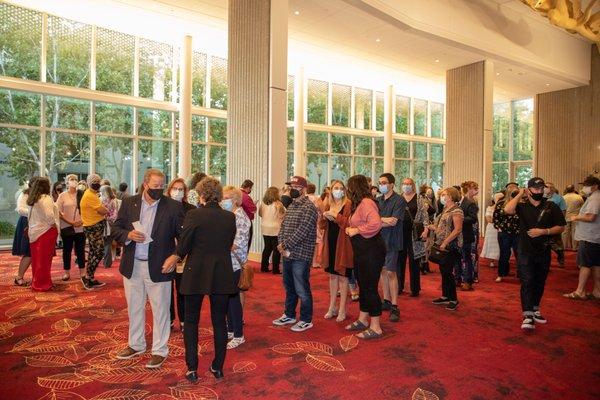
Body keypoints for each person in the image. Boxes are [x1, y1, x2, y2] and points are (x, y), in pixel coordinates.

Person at [164, 176, 236, 382]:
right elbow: (228, 243)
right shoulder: (229, 217)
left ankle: (192, 367)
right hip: (221, 272)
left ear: (201, 194)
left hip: (196, 272)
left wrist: (175, 256)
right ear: (219, 195)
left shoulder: (194, 215)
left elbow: (184, 244)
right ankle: (218, 366)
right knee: (219, 322)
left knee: (191, 321)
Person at [112, 169, 184, 369]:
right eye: (155, 187)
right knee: (134, 307)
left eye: (162, 186)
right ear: (145, 184)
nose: (159, 190)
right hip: (132, 265)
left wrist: (175, 255)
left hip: (160, 266)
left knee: (161, 310)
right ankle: (136, 344)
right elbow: (116, 229)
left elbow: (184, 238)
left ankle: (160, 350)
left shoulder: (173, 207)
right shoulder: (129, 203)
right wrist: (128, 235)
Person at [504, 177, 566, 330]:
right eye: (536, 189)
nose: (539, 191)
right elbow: (507, 210)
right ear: (529, 190)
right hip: (525, 250)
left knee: (539, 281)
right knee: (527, 281)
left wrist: (544, 231)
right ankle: (527, 315)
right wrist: (519, 195)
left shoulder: (551, 206)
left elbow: (561, 227)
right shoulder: (522, 206)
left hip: (544, 250)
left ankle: (535, 308)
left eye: (541, 189)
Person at [272, 176, 318, 333]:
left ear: (303, 190)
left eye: (295, 186)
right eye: (290, 186)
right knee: (289, 286)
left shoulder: (309, 208)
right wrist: (281, 244)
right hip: (287, 253)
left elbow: (303, 231)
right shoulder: (291, 205)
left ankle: (306, 319)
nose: (291, 189)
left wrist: (285, 244)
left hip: (301, 254)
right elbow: (283, 226)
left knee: (302, 288)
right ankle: (290, 314)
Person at [344, 175, 385, 339]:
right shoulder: (359, 204)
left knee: (369, 287)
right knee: (363, 285)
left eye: (349, 187)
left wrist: (357, 230)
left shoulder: (367, 202)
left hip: (371, 250)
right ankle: (363, 319)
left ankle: (376, 327)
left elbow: (376, 223)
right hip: (362, 251)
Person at [423, 187, 464, 311]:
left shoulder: (457, 211)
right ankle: (445, 295)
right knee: (443, 270)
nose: (442, 196)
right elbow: (441, 227)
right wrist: (430, 227)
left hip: (451, 245)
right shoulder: (445, 209)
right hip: (442, 244)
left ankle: (453, 299)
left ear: (451, 196)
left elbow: (457, 229)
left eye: (444, 194)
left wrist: (445, 242)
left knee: (447, 271)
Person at [319, 180, 353, 322]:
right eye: (335, 188)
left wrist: (336, 216)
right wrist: (324, 216)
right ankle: (332, 306)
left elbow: (349, 223)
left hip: (343, 244)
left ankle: (342, 309)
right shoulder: (328, 203)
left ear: (344, 190)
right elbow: (321, 226)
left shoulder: (348, 204)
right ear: (331, 190)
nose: (338, 190)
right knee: (333, 277)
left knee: (343, 277)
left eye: (340, 188)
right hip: (330, 242)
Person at [222, 186, 250, 350]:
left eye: (226, 198)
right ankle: (231, 329)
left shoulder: (240, 217)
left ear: (234, 200)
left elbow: (237, 244)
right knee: (228, 299)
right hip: (227, 262)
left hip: (235, 263)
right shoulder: (230, 215)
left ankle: (239, 335)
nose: (222, 201)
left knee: (233, 301)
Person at [165, 178, 196, 331]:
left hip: (184, 255)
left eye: (180, 189)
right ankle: (169, 319)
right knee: (166, 290)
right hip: (165, 254)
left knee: (182, 289)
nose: (177, 191)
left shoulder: (190, 209)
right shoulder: (162, 206)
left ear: (185, 192)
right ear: (169, 190)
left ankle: (184, 321)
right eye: (175, 188)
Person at [563, 176, 600, 300]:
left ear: (594, 186)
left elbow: (591, 217)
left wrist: (576, 217)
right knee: (595, 265)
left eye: (586, 185)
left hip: (590, 237)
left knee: (585, 264)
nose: (584, 188)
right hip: (594, 237)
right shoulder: (594, 197)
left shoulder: (595, 198)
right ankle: (597, 291)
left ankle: (580, 291)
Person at [376, 173, 404, 322]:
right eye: (380, 182)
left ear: (392, 184)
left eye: (384, 182)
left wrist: (379, 220)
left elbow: (393, 222)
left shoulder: (399, 200)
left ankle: (394, 305)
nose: (382, 185)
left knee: (391, 273)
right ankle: (386, 300)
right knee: (382, 271)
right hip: (379, 241)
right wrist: (383, 220)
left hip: (392, 241)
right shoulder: (378, 200)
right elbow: (373, 221)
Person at [398, 178, 430, 296]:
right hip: (400, 233)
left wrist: (426, 230)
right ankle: (399, 287)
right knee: (399, 261)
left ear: (413, 185)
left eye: (409, 184)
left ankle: (415, 289)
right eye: (404, 184)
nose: (406, 186)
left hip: (415, 234)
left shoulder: (419, 199)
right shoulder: (398, 198)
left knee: (414, 261)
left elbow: (425, 217)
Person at [27, 177, 60, 292]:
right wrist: (55, 225)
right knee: (44, 260)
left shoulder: (33, 199)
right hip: (45, 231)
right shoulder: (46, 198)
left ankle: (38, 281)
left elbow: (29, 216)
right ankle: (42, 284)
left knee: (37, 260)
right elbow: (50, 216)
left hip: (34, 231)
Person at [80, 174, 108, 290]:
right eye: (94, 181)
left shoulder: (92, 194)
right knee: (99, 251)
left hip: (94, 226)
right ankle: (87, 277)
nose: (97, 182)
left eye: (98, 180)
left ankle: (90, 277)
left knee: (93, 252)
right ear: (89, 182)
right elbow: (103, 210)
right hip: (93, 227)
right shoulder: (90, 196)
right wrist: (105, 210)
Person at [56, 174, 86, 281]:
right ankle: (66, 272)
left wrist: (81, 221)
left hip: (81, 227)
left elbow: (87, 211)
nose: (73, 181)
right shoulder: (62, 196)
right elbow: (58, 212)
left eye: (75, 179)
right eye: (71, 179)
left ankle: (83, 272)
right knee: (67, 250)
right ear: (67, 182)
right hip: (67, 226)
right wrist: (71, 222)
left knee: (80, 250)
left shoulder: (82, 194)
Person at [493, 182, 521, 282]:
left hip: (518, 233)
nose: (512, 190)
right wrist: (499, 228)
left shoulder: (521, 203)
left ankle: (521, 274)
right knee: (504, 254)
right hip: (504, 232)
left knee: (520, 254)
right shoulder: (501, 203)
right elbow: (495, 217)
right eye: (510, 188)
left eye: (515, 188)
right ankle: (502, 273)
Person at [12, 178, 36, 286]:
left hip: (36, 223)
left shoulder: (40, 195)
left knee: (33, 252)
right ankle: (19, 277)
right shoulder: (24, 194)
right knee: (28, 252)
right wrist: (33, 212)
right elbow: (20, 209)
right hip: (26, 223)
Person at [457, 181, 479, 290]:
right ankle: (458, 279)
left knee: (467, 258)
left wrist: (460, 220)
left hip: (466, 234)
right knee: (457, 258)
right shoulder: (456, 203)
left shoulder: (470, 203)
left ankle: (468, 280)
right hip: (456, 235)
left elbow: (473, 218)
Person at [259, 187, 285, 274]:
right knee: (276, 249)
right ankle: (275, 269)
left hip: (265, 227)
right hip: (275, 228)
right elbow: (283, 216)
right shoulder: (279, 204)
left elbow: (260, 214)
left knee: (267, 248)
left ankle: (264, 267)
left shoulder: (263, 203)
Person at [545, 182, 567, 266]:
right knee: (544, 246)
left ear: (553, 188)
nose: (548, 188)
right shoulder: (541, 197)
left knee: (557, 246)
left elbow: (563, 211)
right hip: (543, 225)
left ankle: (561, 258)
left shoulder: (559, 198)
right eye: (546, 187)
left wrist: (560, 223)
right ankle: (545, 262)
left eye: (550, 187)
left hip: (554, 225)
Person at [480, 193, 503, 270]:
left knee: (502, 244)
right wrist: (499, 220)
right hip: (492, 229)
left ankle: (502, 260)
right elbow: (489, 219)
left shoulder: (504, 208)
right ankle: (492, 260)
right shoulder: (489, 208)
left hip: (501, 228)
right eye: (498, 199)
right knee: (492, 244)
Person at [100, 185, 119, 268]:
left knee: (103, 243)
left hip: (101, 223)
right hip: (111, 223)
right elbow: (115, 214)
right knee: (108, 243)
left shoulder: (100, 200)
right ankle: (107, 263)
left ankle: (102, 261)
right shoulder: (114, 200)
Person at [562, 185, 584, 251]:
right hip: (576, 217)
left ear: (566, 189)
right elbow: (582, 207)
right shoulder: (579, 197)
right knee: (575, 232)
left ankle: (564, 247)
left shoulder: (563, 197)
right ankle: (575, 248)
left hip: (566, 216)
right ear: (573, 189)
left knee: (565, 233)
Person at [307, 183, 324, 269]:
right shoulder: (317, 199)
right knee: (317, 242)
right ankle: (314, 262)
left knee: (308, 242)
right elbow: (322, 210)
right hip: (316, 222)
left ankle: (308, 261)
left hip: (306, 222)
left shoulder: (305, 198)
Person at [240, 179, 257, 251]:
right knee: (246, 242)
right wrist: (254, 204)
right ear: (248, 188)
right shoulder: (245, 196)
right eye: (251, 188)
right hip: (246, 221)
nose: (251, 190)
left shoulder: (237, 193)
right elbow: (253, 210)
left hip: (238, 221)